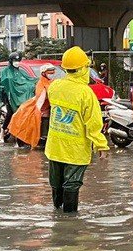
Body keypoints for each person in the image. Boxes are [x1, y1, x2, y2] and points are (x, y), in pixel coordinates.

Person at [44, 47, 109, 213]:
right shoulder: (85, 93)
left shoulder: (55, 86)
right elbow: (94, 124)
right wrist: (101, 145)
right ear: (82, 69)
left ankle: (57, 219)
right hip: (76, 150)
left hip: (55, 147)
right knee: (71, 185)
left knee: (56, 183)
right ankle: (70, 225)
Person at [7, 64, 55, 148]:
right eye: (50, 73)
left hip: (47, 106)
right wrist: (37, 112)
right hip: (41, 108)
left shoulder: (51, 82)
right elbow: (40, 99)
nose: (52, 74)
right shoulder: (41, 84)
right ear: (44, 73)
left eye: (53, 72)